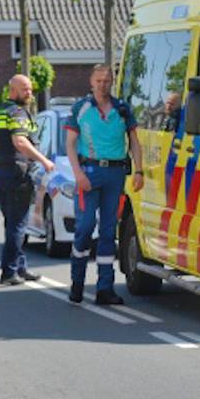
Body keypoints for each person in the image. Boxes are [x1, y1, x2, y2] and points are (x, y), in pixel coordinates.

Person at [64, 64, 144, 305]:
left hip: (115, 173)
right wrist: (78, 173)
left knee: (109, 231)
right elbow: (70, 144)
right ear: (91, 82)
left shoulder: (122, 109)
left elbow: (134, 141)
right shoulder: (81, 108)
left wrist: (139, 170)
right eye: (98, 81)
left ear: (112, 82)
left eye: (107, 81)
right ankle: (77, 282)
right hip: (89, 172)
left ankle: (104, 289)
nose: (102, 85)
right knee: (85, 226)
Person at [0, 75, 54, 286]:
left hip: (0, 174)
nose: (29, 93)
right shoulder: (18, 112)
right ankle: (9, 272)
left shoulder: (0, 111)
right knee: (18, 225)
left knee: (13, 223)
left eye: (30, 89)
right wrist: (44, 161)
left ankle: (20, 267)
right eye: (25, 89)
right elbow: (20, 141)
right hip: (17, 175)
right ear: (13, 90)